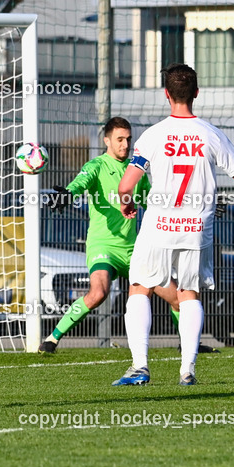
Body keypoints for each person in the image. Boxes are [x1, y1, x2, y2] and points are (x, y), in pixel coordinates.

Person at [112, 64, 234, 386]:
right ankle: (187, 370)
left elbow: (125, 187)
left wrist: (128, 204)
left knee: (139, 287)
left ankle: (140, 367)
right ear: (196, 93)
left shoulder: (153, 135)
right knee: (189, 293)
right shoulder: (210, 133)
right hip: (196, 227)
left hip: (159, 225)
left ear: (166, 94)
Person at [39, 117, 205, 353]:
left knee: (178, 298)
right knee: (98, 292)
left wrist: (192, 207)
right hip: (103, 246)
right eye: (119, 139)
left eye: (128, 139)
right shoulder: (96, 166)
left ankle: (188, 345)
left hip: (133, 250)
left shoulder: (136, 172)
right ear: (107, 140)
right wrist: (68, 194)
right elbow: (80, 182)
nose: (125, 145)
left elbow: (157, 202)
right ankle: (52, 339)